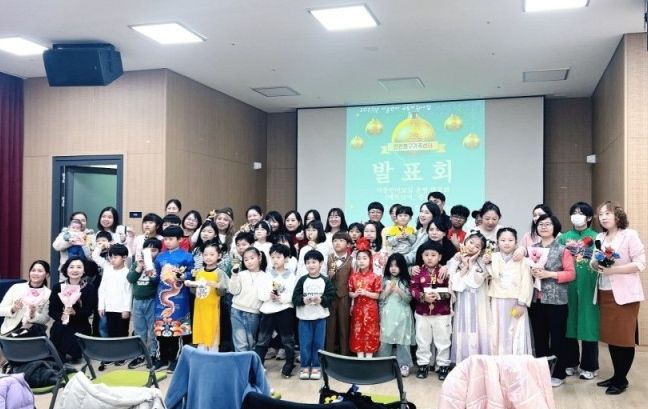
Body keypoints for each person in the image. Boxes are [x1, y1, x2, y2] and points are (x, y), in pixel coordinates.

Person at [591, 201, 645, 395]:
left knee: (624, 338)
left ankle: (621, 380)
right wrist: (596, 264)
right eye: (600, 214)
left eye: (607, 213)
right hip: (605, 292)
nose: (603, 217)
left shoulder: (629, 235)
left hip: (625, 295)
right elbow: (593, 261)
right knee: (612, 338)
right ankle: (617, 376)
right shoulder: (600, 237)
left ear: (618, 216)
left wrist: (613, 269)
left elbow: (640, 263)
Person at [528, 214, 575, 388]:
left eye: (548, 224)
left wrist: (550, 274)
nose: (544, 227)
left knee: (557, 339)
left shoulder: (563, 250)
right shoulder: (531, 249)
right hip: (536, 300)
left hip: (557, 301)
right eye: (540, 224)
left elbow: (571, 274)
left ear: (555, 227)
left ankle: (558, 373)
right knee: (539, 338)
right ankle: (542, 372)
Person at [560, 202, 599, 380]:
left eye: (581, 213)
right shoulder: (564, 237)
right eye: (574, 212)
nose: (577, 215)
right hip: (568, 285)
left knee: (589, 323)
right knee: (569, 323)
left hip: (589, 284)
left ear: (589, 217)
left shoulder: (597, 237)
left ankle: (589, 366)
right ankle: (571, 362)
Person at [153, 225, 194, 373]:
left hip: (180, 298)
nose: (167, 242)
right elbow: (156, 277)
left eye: (171, 239)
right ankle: (162, 358)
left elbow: (192, 274)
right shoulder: (160, 257)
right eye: (165, 239)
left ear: (180, 239)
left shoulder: (187, 256)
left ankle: (176, 359)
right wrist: (151, 274)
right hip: (161, 297)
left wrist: (183, 276)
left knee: (178, 330)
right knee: (161, 330)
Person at [487, 228, 533, 356]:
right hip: (496, 300)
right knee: (496, 329)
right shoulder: (493, 257)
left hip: (515, 301)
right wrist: (487, 262)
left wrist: (522, 303)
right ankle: (497, 358)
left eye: (510, 240)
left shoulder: (522, 260)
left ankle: (514, 359)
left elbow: (526, 282)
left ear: (516, 242)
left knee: (514, 329)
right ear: (497, 242)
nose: (506, 243)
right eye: (503, 240)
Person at [409, 241, 452, 380]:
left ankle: (443, 365)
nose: (429, 258)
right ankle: (423, 364)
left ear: (440, 257)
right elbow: (413, 289)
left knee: (443, 339)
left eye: (433, 255)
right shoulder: (417, 272)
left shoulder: (445, 271)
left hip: (442, 312)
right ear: (422, 256)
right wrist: (423, 297)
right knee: (422, 340)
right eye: (426, 255)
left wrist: (440, 295)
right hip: (422, 312)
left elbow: (452, 290)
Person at [254, 244, 297, 378]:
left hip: (285, 309)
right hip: (268, 310)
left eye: (278, 257)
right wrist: (269, 295)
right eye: (272, 257)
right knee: (262, 339)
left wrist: (281, 298)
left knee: (287, 339)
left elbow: (293, 295)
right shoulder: (266, 275)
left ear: (286, 258)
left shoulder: (292, 276)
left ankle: (289, 365)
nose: (275, 260)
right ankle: (258, 366)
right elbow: (260, 294)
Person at [292, 250, 335, 380]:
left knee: (318, 343)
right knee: (305, 343)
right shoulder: (302, 280)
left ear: (321, 263)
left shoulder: (325, 280)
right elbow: (295, 298)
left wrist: (321, 300)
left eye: (314, 262)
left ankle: (316, 366)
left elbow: (331, 296)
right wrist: (302, 300)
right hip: (304, 318)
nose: (311, 265)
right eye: (308, 262)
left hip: (320, 318)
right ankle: (305, 366)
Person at [448, 232, 490, 363]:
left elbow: (476, 282)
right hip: (462, 299)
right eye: (471, 242)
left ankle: (479, 361)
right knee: (462, 328)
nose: (472, 247)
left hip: (478, 301)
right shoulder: (456, 259)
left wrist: (471, 264)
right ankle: (462, 361)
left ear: (481, 250)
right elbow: (455, 283)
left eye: (477, 246)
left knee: (478, 328)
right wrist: (464, 266)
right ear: (465, 242)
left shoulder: (483, 262)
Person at [49, 257, 97, 362]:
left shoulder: (89, 288)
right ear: (66, 269)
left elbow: (88, 311)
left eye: (79, 267)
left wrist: (75, 313)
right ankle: (59, 357)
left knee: (72, 336)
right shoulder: (58, 287)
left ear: (84, 270)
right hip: (61, 323)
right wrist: (62, 316)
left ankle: (70, 355)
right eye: (71, 267)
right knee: (59, 328)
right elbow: (52, 310)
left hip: (80, 324)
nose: (75, 270)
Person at [377, 253, 414, 377]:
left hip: (402, 314)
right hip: (388, 314)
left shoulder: (405, 281)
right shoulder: (384, 280)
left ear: (402, 267)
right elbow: (380, 298)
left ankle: (404, 364)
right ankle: (383, 363)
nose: (393, 268)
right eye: (391, 265)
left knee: (403, 339)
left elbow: (408, 299)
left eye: (397, 266)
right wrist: (387, 291)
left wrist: (399, 290)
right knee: (385, 338)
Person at [126, 237, 161, 369]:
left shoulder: (157, 264)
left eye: (154, 250)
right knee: (139, 330)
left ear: (159, 252)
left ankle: (153, 354)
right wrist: (139, 267)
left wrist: (150, 270)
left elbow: (156, 282)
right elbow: (130, 279)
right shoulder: (137, 263)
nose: (150, 253)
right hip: (137, 301)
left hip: (151, 300)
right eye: (148, 250)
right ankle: (140, 355)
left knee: (152, 330)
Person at [186, 240, 227, 351]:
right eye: (205, 255)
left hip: (212, 308)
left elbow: (224, 291)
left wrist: (217, 285)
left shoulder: (219, 273)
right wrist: (192, 285)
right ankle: (201, 355)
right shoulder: (199, 272)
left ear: (219, 256)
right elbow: (194, 292)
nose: (208, 257)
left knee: (212, 332)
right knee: (201, 332)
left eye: (212, 254)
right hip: (200, 308)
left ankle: (213, 355)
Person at [348, 238, 382, 358]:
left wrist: (366, 293)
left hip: (371, 310)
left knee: (370, 332)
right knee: (357, 332)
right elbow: (350, 292)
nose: (361, 261)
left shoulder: (375, 277)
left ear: (370, 260)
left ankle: (369, 359)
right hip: (357, 310)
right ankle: (360, 358)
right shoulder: (353, 277)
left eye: (364, 258)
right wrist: (355, 294)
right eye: (359, 258)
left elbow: (377, 295)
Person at [228, 247, 266, 352]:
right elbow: (233, 291)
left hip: (253, 313)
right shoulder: (240, 274)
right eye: (246, 259)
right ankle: (242, 363)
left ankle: (250, 362)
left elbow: (264, 296)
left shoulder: (265, 276)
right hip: (236, 311)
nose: (249, 262)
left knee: (251, 344)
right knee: (240, 344)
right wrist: (234, 275)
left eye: (252, 258)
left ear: (259, 258)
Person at [0, 260, 51, 337]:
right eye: (33, 270)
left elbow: (45, 319)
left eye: (40, 271)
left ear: (47, 275)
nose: (35, 273)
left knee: (35, 330)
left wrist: (33, 315)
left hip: (32, 330)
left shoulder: (48, 293)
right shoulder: (16, 287)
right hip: (11, 330)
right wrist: (13, 308)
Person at [95, 243, 132, 340]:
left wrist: (127, 309)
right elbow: (102, 289)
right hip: (108, 308)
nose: (112, 260)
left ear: (124, 257)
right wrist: (101, 306)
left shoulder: (127, 272)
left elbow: (128, 292)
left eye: (115, 257)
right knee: (110, 333)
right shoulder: (107, 268)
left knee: (122, 333)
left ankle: (122, 350)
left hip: (121, 310)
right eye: (110, 257)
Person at [325, 232, 353, 356]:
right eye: (335, 240)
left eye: (341, 240)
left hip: (345, 296)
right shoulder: (328, 258)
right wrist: (329, 276)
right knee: (330, 327)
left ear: (348, 244)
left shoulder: (353, 259)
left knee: (344, 326)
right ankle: (329, 354)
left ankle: (344, 354)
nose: (337, 243)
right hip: (331, 296)